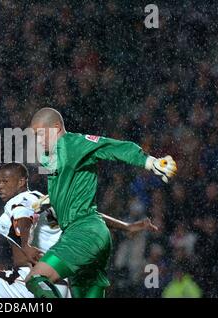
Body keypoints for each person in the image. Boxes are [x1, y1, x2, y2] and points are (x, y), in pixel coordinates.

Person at [25, 107, 177, 298]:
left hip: (82, 235)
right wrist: (126, 227)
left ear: (55, 128)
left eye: (40, 135)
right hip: (93, 233)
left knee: (35, 279)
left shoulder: (73, 144)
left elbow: (110, 147)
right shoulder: (52, 159)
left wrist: (150, 162)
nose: (38, 141)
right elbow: (87, 212)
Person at [0, 163, 158, 298]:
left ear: (22, 182)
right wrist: (125, 227)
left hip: (31, 281)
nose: (0, 186)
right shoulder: (47, 201)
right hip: (60, 283)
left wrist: (26, 245)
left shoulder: (19, 201)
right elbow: (87, 217)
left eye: (5, 181)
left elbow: (23, 217)